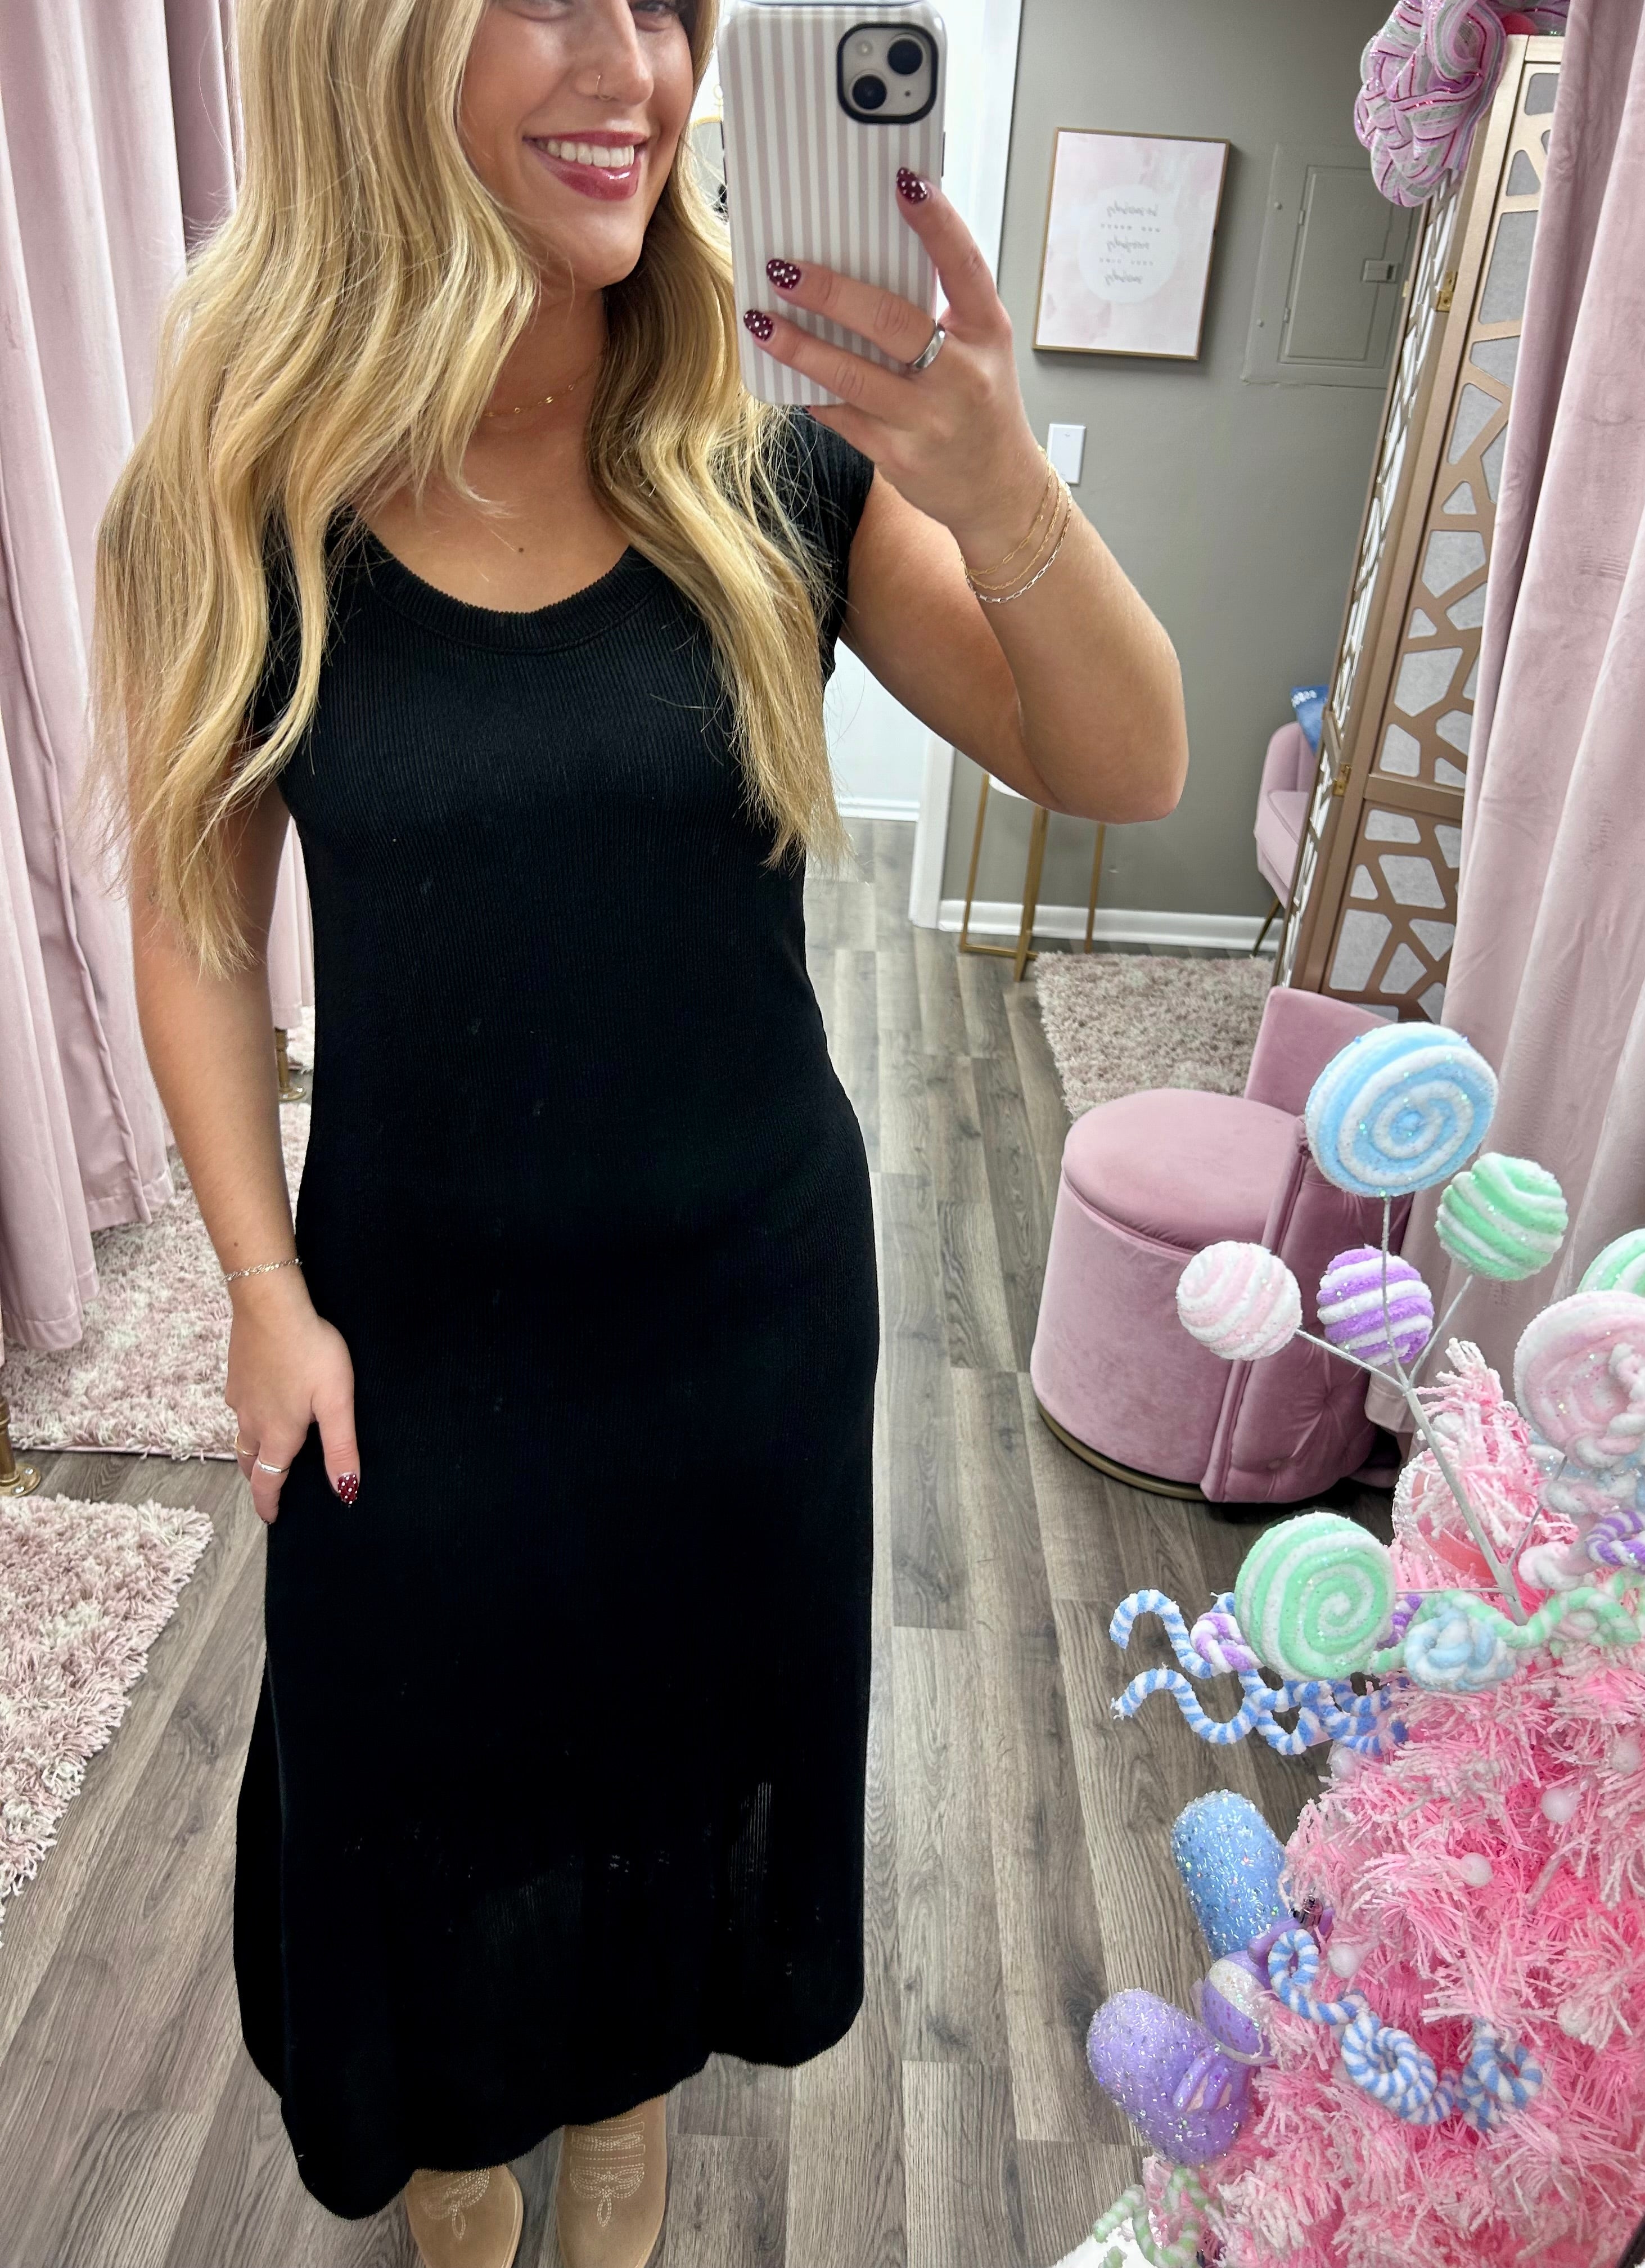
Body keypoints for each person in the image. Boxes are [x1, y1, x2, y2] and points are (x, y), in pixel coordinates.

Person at [88, 3, 1186, 2264]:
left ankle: (618, 2139)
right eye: (546, 1)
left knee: (679, 1751)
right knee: (423, 1774)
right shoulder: (247, 492)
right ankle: (460, 2162)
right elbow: (191, 923)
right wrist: (258, 1293)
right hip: (415, 1334)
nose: (633, 66)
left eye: (667, 9)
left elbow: (1127, 768)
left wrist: (1000, 485)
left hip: (741, 1320)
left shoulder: (772, 477)